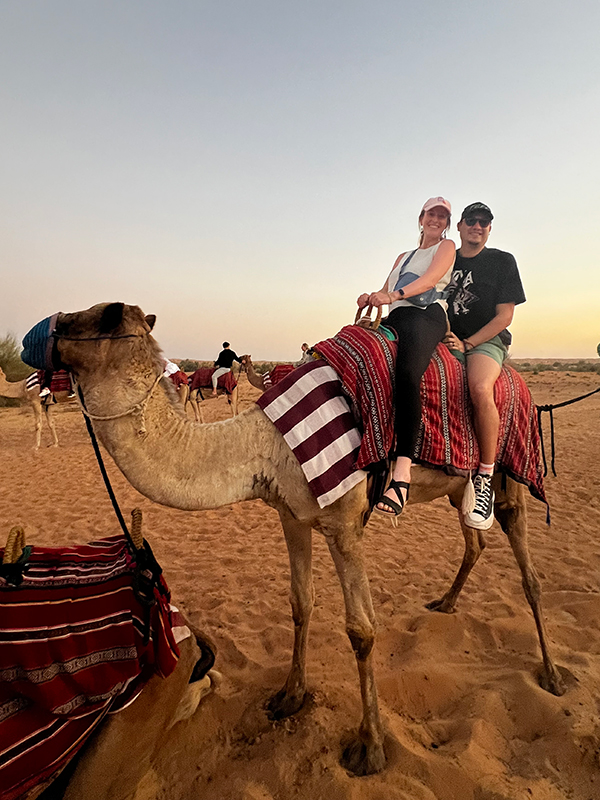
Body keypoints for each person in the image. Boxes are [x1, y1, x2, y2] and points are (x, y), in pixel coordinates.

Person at [357, 197, 456, 518]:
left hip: (427, 315)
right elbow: (386, 288)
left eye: (442, 216)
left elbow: (428, 282)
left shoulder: (446, 247)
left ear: (447, 222)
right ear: (421, 218)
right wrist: (372, 296)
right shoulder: (404, 256)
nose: (436, 220)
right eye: (432, 214)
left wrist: (393, 296)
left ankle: (402, 473)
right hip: (397, 316)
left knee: (409, 374)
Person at [443, 202, 526, 530]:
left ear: (489, 229)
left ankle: (484, 479)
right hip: (445, 338)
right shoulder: (445, 259)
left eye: (484, 222)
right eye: (472, 221)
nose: (478, 226)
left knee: (479, 388)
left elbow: (505, 315)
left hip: (484, 341)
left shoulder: (502, 262)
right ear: (460, 227)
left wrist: (469, 343)